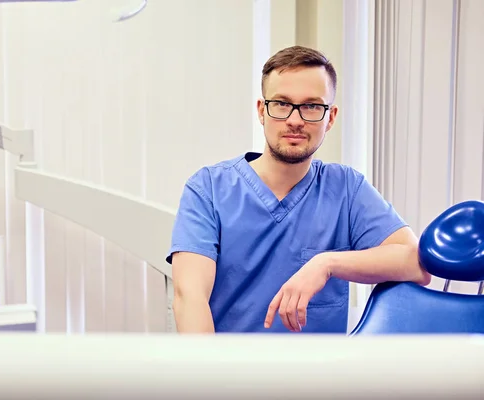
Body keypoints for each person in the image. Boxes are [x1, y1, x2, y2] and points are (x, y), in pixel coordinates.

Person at [166, 45, 431, 334]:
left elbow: (417, 263)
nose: (295, 120)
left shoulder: (346, 189)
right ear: (262, 111)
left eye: (311, 106)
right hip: (233, 374)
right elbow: (189, 297)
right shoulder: (209, 189)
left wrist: (327, 263)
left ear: (330, 117)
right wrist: (210, 376)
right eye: (281, 103)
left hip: (317, 376)